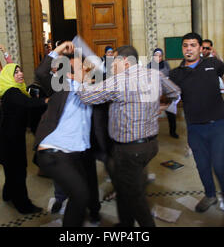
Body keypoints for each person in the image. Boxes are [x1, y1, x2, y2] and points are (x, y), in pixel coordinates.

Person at [78, 45, 181, 227]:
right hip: (150, 145)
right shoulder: (154, 74)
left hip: (129, 150)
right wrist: (160, 106)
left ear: (125, 61)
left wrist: (83, 77)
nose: (111, 65)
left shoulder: (119, 80)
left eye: (114, 61)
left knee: (135, 198)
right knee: (125, 188)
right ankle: (125, 225)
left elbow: (86, 97)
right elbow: (175, 92)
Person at [169, 32, 224, 219]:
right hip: (195, 128)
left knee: (220, 166)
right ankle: (210, 195)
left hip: (218, 126)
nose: (189, 49)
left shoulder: (213, 64)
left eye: (193, 45)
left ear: (200, 48)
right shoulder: (176, 73)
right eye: (185, 45)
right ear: (182, 48)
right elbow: (166, 98)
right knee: (203, 166)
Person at [34, 41, 104, 226]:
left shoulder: (92, 92)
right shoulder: (62, 89)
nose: (86, 69)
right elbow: (41, 73)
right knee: (80, 195)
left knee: (83, 194)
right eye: (80, 67)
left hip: (76, 153)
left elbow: (104, 76)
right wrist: (58, 50)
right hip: (54, 151)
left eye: (85, 67)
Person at [0, 63, 47, 214]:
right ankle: (23, 205)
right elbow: (29, 104)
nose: (20, 74)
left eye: (20, 71)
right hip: (10, 138)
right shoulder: (12, 92)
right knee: (18, 171)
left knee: (11, 169)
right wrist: (46, 101)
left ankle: (8, 194)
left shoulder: (17, 91)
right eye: (15, 72)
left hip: (10, 136)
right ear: (7, 76)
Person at [147, 48, 178, 138]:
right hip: (154, 93)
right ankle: (151, 133)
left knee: (171, 113)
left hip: (165, 92)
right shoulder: (149, 66)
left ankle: (173, 131)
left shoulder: (166, 64)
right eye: (156, 56)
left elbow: (170, 75)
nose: (158, 58)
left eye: (160, 56)